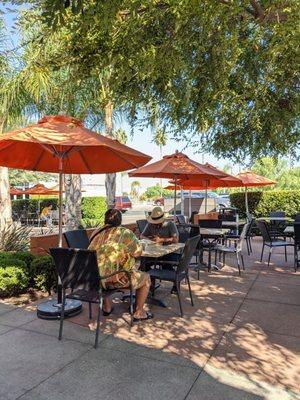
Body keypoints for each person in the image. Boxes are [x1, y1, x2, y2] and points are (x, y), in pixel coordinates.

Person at [89, 208, 153, 322]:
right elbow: (138, 252)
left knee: (104, 268)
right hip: (114, 280)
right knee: (146, 278)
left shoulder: (96, 233)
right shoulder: (124, 233)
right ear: (120, 221)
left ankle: (106, 307)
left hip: (94, 279)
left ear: (105, 220)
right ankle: (139, 312)